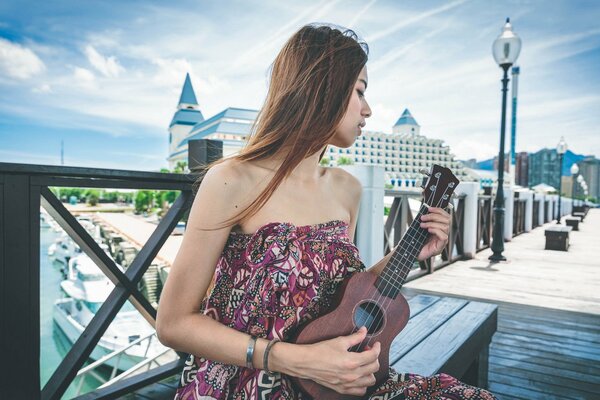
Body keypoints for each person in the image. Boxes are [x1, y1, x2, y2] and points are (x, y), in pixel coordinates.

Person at [156, 23, 496, 400]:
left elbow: (338, 295)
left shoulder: (346, 188)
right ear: (321, 88)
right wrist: (298, 361)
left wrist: (409, 251)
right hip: (247, 384)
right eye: (359, 91)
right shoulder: (230, 180)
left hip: (337, 384)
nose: (367, 109)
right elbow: (173, 324)